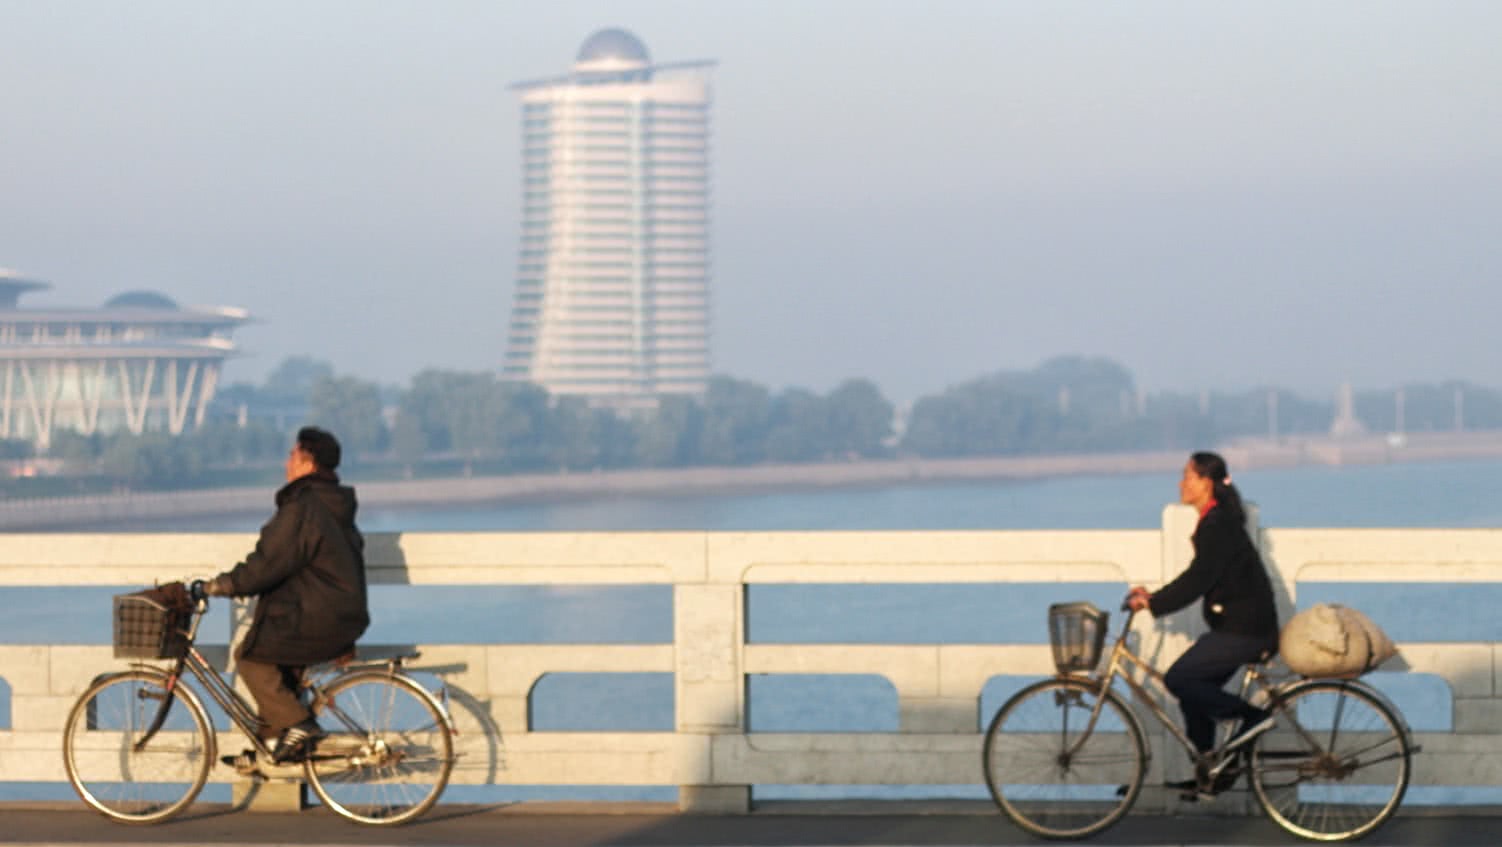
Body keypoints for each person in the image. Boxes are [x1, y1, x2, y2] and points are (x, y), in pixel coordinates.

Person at [202, 427, 370, 770]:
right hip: (341, 613)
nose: (286, 462)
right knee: (280, 672)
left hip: (316, 615)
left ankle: (300, 727)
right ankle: (268, 747)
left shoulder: (304, 506)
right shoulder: (332, 503)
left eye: (292, 455)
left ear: (308, 463)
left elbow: (269, 562)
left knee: (250, 657)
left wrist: (224, 585)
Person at [1127, 451, 1279, 790]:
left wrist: (1152, 603)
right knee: (1193, 689)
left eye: (1187, 476)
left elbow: (1199, 579)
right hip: (1240, 626)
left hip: (1247, 630)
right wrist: (1154, 598)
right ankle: (1211, 772)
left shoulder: (1217, 524)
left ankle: (1252, 717)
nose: (1181, 483)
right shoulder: (1216, 520)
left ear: (1206, 483)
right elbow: (1201, 576)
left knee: (1180, 678)